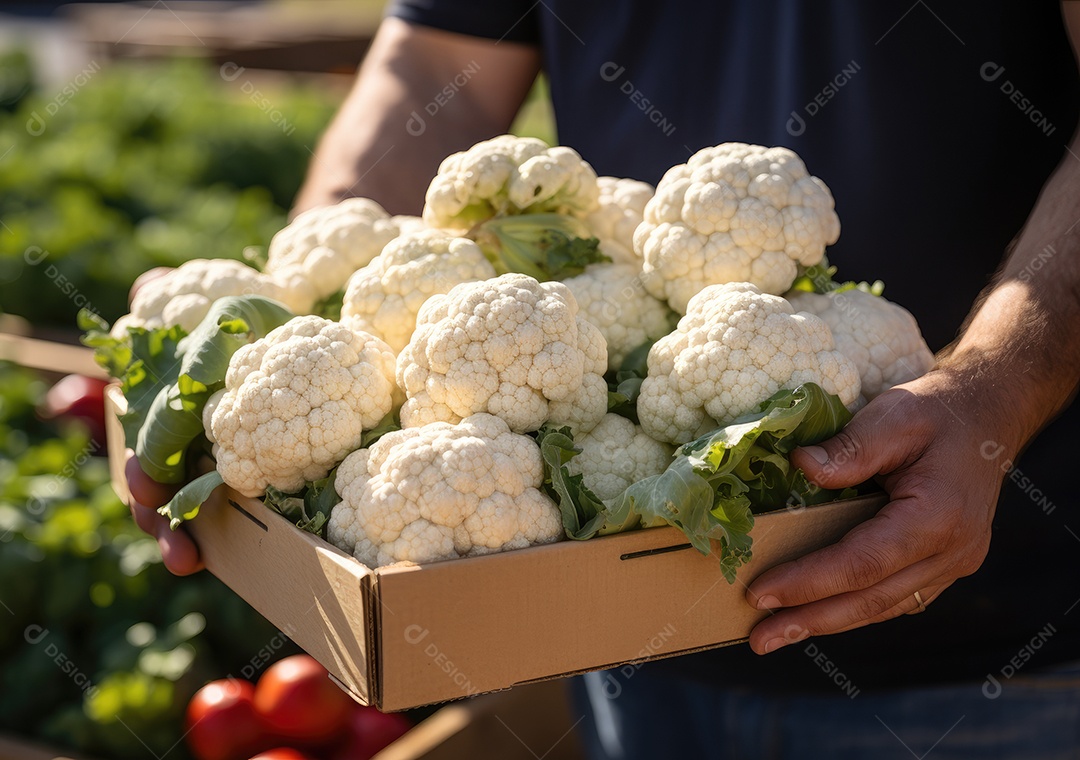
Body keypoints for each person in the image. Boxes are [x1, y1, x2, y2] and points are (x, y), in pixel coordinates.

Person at [128, 1, 1080, 755]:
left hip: (993, 647)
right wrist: (302, 295)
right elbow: (433, 73)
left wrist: (991, 393)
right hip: (622, 641)